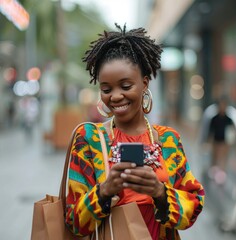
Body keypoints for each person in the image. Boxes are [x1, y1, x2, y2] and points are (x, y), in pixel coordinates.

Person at [65, 23, 205, 240]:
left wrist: (160, 193)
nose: (116, 96)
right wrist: (104, 191)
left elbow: (194, 205)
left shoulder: (168, 140)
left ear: (144, 83)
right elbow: (74, 222)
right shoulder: (88, 139)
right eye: (106, 89)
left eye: (126, 86)